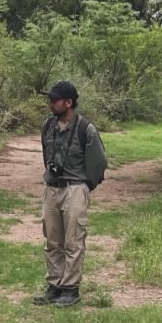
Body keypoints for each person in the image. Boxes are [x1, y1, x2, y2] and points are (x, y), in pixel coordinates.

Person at [32, 81, 107, 308]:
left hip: (75, 189)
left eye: (54, 100)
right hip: (52, 189)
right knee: (53, 240)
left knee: (74, 240)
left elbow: (99, 163)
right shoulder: (48, 126)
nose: (50, 104)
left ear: (69, 102)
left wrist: (84, 187)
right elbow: (47, 157)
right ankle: (54, 286)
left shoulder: (86, 129)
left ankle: (71, 289)